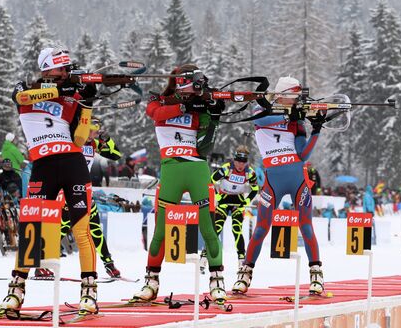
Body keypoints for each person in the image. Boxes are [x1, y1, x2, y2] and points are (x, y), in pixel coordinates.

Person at [0, 47, 99, 317]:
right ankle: (16, 289)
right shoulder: (27, 90)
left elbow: (79, 139)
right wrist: (63, 92)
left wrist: (86, 103)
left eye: (67, 69)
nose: (66, 73)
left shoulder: (72, 97)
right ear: (47, 70)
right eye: (61, 69)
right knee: (33, 230)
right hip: (42, 166)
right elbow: (20, 97)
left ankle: (89, 291)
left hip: (72, 163)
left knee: (81, 230)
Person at [133, 64, 227, 304]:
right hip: (171, 168)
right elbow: (155, 114)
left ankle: (217, 282)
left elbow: (205, 146)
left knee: (208, 228)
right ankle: (151, 282)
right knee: (161, 230)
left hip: (196, 167)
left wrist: (213, 116)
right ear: (179, 82)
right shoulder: (160, 99)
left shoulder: (201, 106)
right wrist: (184, 106)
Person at [232, 76, 326, 296]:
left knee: (306, 226)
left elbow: (302, 154)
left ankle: (316, 275)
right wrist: (290, 115)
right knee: (262, 228)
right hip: (272, 181)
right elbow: (261, 120)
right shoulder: (261, 109)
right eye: (293, 98)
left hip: (296, 178)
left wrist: (317, 129)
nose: (295, 102)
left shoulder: (296, 121)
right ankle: (244, 274)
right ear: (282, 95)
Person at [58, 117, 123, 278]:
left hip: (84, 191)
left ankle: (108, 263)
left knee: (95, 228)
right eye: (91, 132)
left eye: (95, 133)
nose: (92, 136)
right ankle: (40, 260)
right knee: (61, 228)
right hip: (67, 191)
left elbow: (116, 155)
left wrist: (107, 140)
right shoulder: (73, 140)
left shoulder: (94, 144)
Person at [202, 145, 259, 272]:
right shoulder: (227, 169)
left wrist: (246, 201)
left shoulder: (249, 172)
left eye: (243, 162)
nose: (240, 165)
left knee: (236, 229)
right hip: (224, 199)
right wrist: (217, 196)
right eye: (238, 162)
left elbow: (255, 189)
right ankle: (204, 256)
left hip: (238, 202)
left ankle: (241, 261)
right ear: (234, 160)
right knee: (216, 228)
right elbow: (211, 181)